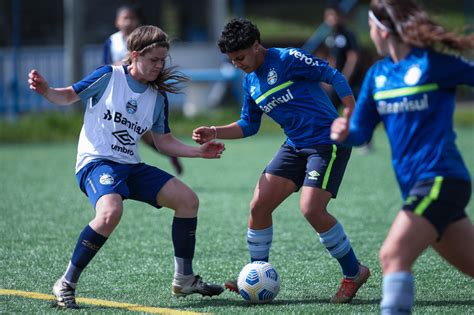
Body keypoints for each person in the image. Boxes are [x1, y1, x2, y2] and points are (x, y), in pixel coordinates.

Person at [28, 25, 225, 309]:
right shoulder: (109, 76)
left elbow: (164, 141)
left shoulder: (157, 97)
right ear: (134, 55)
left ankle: (184, 279)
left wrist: (198, 152)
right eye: (153, 60)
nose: (159, 66)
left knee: (188, 201)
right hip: (96, 162)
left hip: (131, 166)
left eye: (162, 61)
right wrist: (46, 90)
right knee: (110, 213)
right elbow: (68, 96)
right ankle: (66, 283)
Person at [192, 18, 370, 303]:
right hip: (295, 146)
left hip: (326, 143)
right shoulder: (250, 80)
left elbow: (332, 75)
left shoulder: (287, 59)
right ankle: (255, 274)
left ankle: (354, 273)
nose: (238, 64)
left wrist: (351, 112)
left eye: (240, 57)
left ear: (256, 46)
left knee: (311, 208)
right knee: (259, 206)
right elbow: (249, 125)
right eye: (232, 60)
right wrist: (214, 131)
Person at [330, 0, 474, 313]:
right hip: (416, 186)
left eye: (371, 27)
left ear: (382, 30)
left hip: (441, 178)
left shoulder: (433, 64)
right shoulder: (378, 76)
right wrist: (344, 132)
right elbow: (361, 132)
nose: (370, 34)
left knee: (392, 255)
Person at [103, 4, 184, 175]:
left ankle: (169, 152)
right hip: (119, 93)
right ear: (117, 22)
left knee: (147, 136)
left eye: (132, 18)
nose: (129, 22)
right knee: (129, 133)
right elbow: (106, 67)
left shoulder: (146, 41)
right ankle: (168, 152)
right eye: (125, 18)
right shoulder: (112, 41)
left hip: (139, 94)